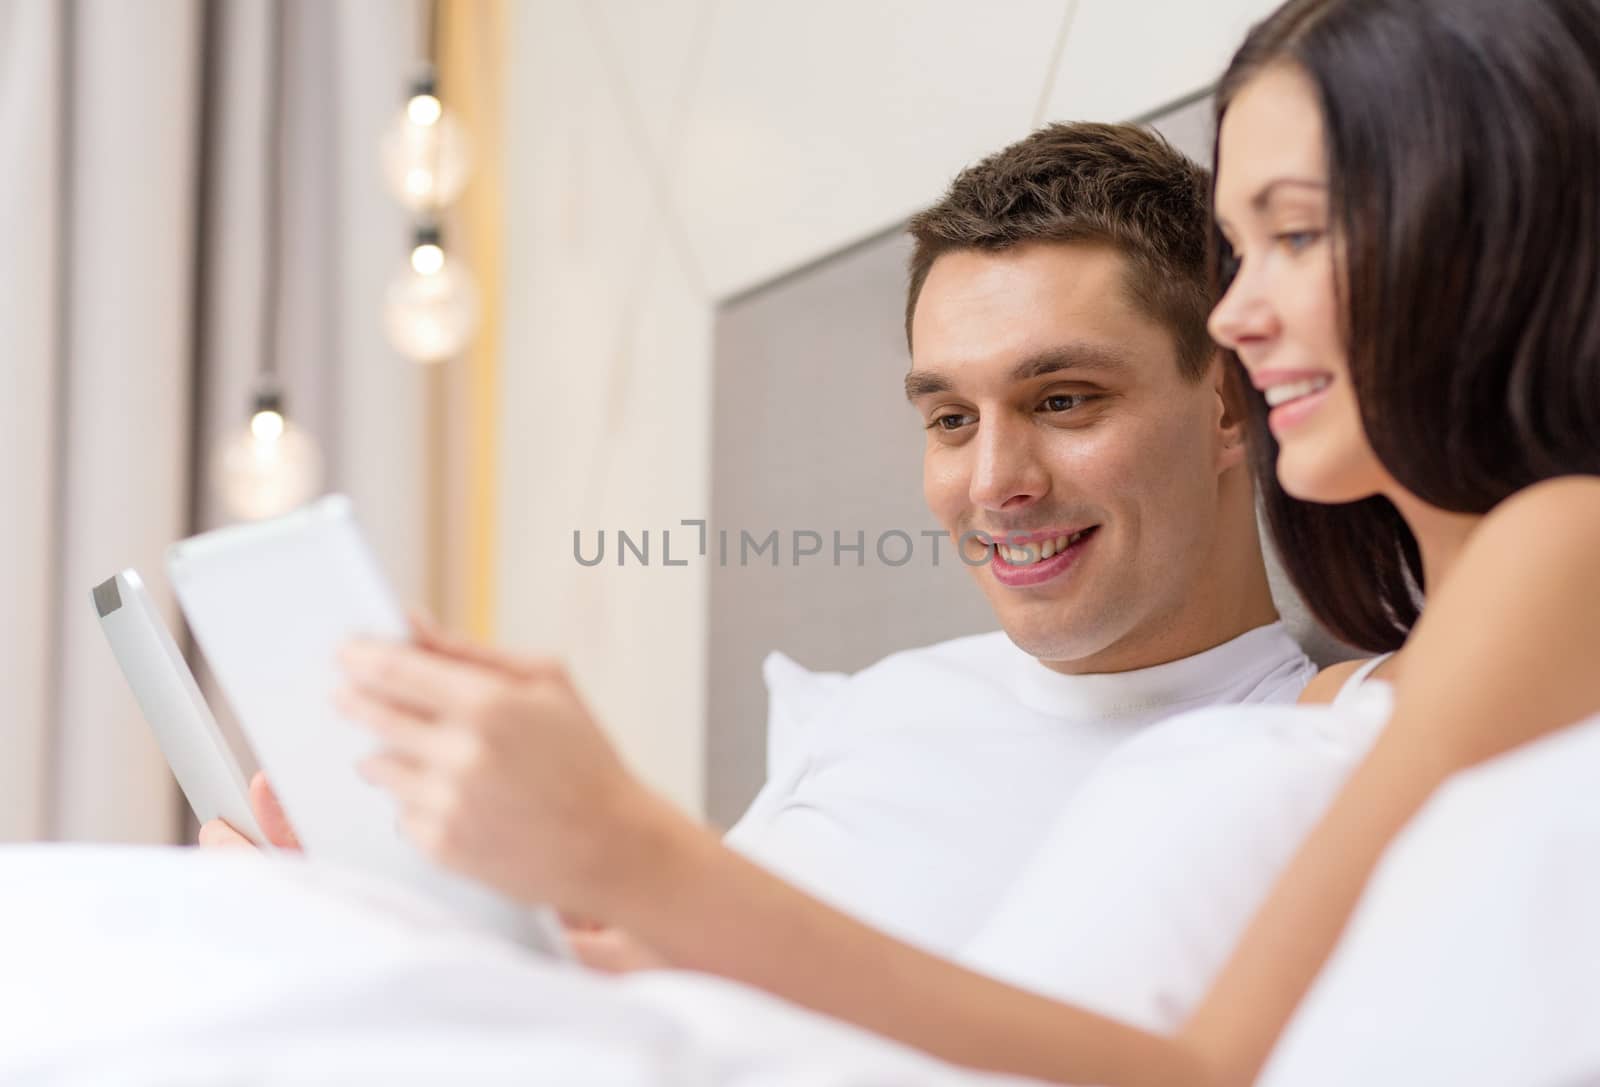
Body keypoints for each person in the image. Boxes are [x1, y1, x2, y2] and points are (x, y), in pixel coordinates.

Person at [316, 0, 1600, 1081]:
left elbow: (1201, 1067)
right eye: (945, 414)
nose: (1242, 313)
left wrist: (652, 862)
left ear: (1469, 229)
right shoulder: (1350, 689)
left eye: (1296, 234)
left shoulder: (1553, 551)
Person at [204, 122, 1317, 961]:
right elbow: (643, 982)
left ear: (1228, 404)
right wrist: (396, 919)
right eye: (948, 419)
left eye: (1065, 400)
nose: (993, 483)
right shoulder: (881, 706)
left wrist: (628, 844)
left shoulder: (1318, 752)